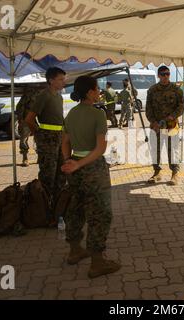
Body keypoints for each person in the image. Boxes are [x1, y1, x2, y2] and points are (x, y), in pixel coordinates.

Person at [61, 75, 121, 278]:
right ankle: (97, 262)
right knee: (100, 214)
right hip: (92, 168)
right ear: (89, 92)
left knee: (76, 209)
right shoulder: (97, 115)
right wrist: (79, 163)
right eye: (97, 89)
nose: (99, 92)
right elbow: (100, 148)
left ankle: (75, 251)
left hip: (75, 168)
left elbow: (65, 142)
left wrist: (69, 161)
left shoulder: (72, 113)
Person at [25, 67, 67, 224]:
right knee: (48, 175)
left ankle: (57, 208)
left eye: (64, 79)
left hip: (59, 138)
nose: (64, 82)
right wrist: (39, 135)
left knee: (60, 173)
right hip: (47, 140)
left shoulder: (59, 97)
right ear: (51, 80)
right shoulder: (43, 96)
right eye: (61, 79)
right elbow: (29, 119)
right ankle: (44, 210)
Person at [146, 66, 184, 185]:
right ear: (158, 75)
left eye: (167, 74)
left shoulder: (176, 89)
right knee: (155, 149)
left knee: (173, 149)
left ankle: (175, 173)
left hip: (171, 125)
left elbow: (181, 106)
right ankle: (157, 173)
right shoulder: (152, 90)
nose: (165, 76)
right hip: (156, 125)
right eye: (163, 74)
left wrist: (172, 116)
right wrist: (153, 122)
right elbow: (148, 109)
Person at [15, 87, 40, 167]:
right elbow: (19, 107)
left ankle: (40, 156)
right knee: (24, 139)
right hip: (27, 118)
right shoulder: (28, 94)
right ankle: (25, 158)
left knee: (39, 138)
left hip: (39, 119)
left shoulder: (44, 94)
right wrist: (21, 119)